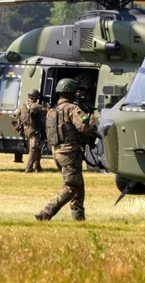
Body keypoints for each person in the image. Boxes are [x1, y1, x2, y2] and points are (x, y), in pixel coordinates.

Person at [35, 78, 95, 222]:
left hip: (57, 151)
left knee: (78, 185)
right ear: (71, 92)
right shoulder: (72, 109)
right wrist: (92, 129)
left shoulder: (53, 111)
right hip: (69, 152)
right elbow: (83, 128)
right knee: (71, 186)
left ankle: (78, 218)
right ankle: (46, 212)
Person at [17, 89, 46, 173]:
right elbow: (46, 110)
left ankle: (37, 167)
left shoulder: (23, 106)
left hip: (26, 130)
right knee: (33, 149)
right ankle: (29, 168)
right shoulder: (35, 106)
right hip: (33, 131)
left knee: (36, 148)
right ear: (34, 98)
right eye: (37, 98)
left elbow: (17, 117)